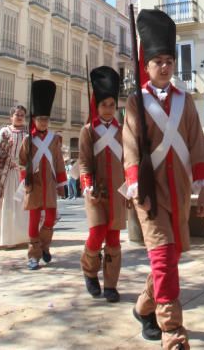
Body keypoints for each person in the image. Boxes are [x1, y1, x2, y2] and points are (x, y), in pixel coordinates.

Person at [123, 9, 204, 350]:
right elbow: (130, 150)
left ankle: (144, 306)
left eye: (168, 60)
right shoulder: (136, 103)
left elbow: (198, 147)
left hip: (179, 193)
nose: (164, 66)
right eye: (157, 60)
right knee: (162, 260)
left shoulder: (185, 102)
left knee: (168, 261)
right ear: (146, 65)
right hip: (150, 194)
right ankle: (173, 333)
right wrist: (136, 189)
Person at [79, 66, 126, 302]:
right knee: (97, 234)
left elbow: (129, 161)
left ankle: (111, 285)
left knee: (114, 239)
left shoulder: (123, 131)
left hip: (118, 193)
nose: (108, 109)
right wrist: (87, 185)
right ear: (96, 106)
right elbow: (84, 162)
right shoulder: (88, 131)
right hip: (95, 193)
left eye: (111, 105)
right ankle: (89, 270)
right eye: (104, 105)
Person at [19, 80, 66, 270]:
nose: (44, 122)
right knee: (33, 221)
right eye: (40, 119)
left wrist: (62, 184)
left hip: (50, 183)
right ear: (34, 120)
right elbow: (22, 161)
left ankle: (44, 246)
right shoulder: (27, 140)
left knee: (50, 218)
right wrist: (26, 181)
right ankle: (33, 255)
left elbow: (59, 161)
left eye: (46, 119)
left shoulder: (54, 139)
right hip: (35, 185)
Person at [0, 105, 29, 247]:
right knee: (6, 204)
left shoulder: (28, 133)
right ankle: (4, 238)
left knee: (22, 204)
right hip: (6, 172)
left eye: (22, 115)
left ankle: (22, 236)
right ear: (11, 117)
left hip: (22, 173)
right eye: (17, 114)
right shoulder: (5, 131)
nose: (20, 117)